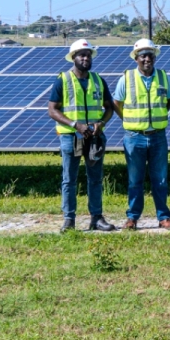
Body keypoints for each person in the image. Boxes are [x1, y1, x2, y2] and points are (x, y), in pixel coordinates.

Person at [47, 39, 116, 232]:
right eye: (81, 55)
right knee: (69, 179)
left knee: (95, 178)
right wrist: (74, 125)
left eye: (88, 55)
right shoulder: (63, 80)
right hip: (71, 137)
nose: (85, 58)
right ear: (73, 58)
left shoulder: (98, 80)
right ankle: (69, 220)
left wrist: (101, 123)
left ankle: (97, 218)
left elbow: (109, 107)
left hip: (94, 138)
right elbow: (52, 110)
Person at [113, 38, 170, 230]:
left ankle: (163, 217)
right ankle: (132, 217)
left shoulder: (163, 77)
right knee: (134, 180)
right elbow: (117, 103)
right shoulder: (126, 78)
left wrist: (158, 117)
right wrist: (129, 120)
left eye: (150, 55)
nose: (147, 59)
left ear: (154, 57)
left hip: (157, 136)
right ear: (136, 58)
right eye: (142, 56)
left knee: (161, 180)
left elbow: (169, 101)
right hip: (134, 137)